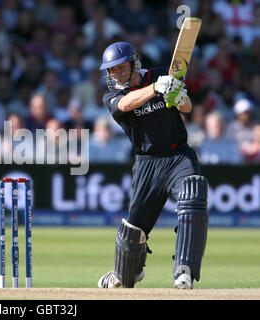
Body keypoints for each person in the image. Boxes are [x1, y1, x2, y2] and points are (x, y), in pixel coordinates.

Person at [97, 42, 208, 290]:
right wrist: (156, 88)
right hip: (147, 163)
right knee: (134, 231)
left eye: (121, 67)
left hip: (178, 154)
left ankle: (184, 270)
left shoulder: (159, 74)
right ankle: (124, 273)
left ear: (135, 63)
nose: (116, 74)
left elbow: (187, 107)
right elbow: (126, 105)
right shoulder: (113, 95)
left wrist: (179, 98)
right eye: (111, 70)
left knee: (194, 192)